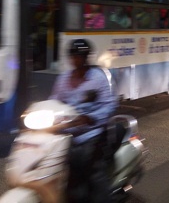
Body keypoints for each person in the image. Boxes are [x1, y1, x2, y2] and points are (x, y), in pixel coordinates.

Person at [49, 39, 118, 202]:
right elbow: (54, 100)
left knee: (92, 170)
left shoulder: (97, 78)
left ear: (86, 57)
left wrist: (90, 118)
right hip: (66, 133)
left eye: (80, 56)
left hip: (91, 133)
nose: (76, 59)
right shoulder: (64, 79)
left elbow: (109, 105)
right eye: (73, 56)